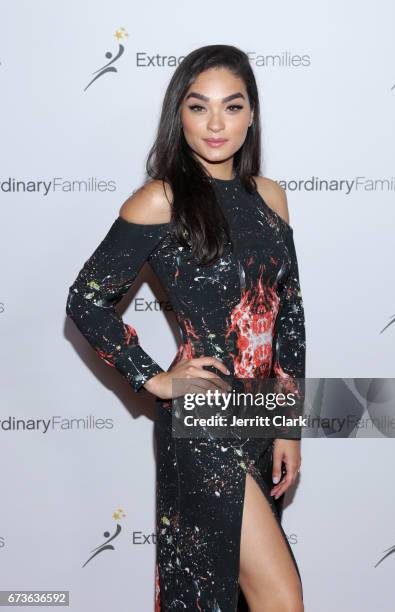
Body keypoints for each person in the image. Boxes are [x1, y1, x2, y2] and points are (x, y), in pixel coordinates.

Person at [66, 44, 306, 612]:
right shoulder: (159, 200)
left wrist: (289, 427)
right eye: (199, 107)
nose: (216, 123)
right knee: (279, 598)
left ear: (252, 114)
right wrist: (155, 379)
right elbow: (87, 300)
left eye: (232, 106)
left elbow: (289, 315)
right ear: (180, 115)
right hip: (204, 422)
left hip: (260, 416)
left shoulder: (270, 198)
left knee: (229, 597)